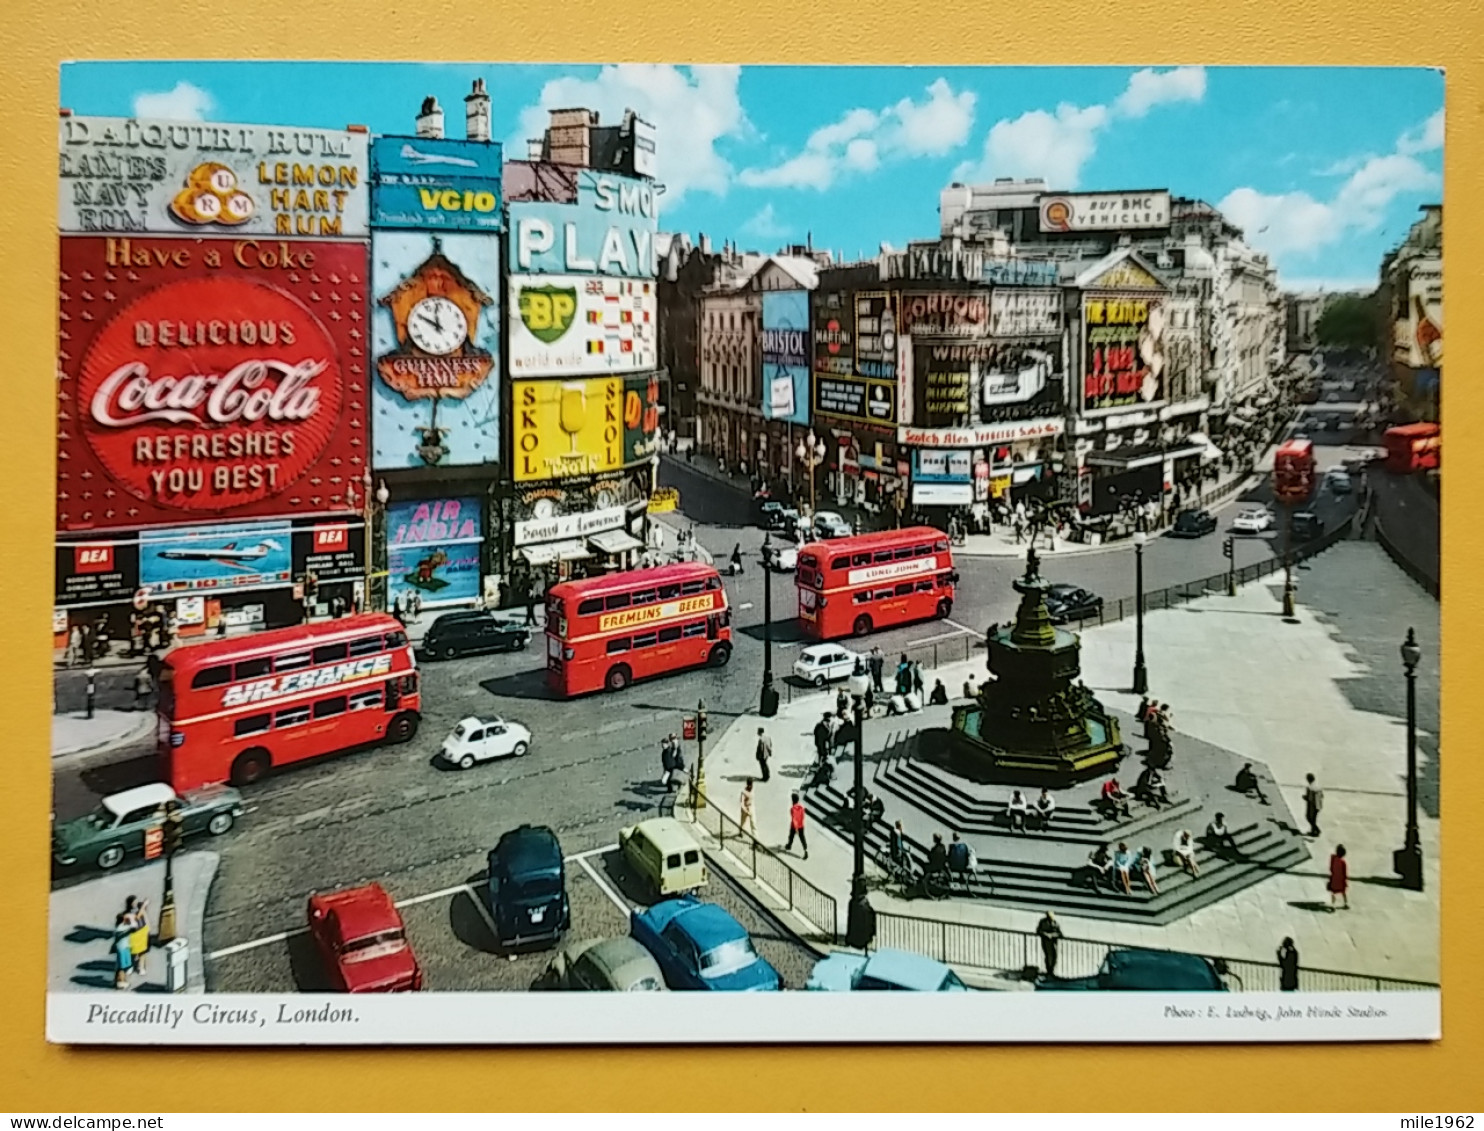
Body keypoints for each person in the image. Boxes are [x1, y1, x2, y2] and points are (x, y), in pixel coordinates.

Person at [125, 896, 150, 981]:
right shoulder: (128, 913)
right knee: (132, 951)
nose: (135, 903)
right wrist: (143, 907)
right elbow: (136, 918)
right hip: (133, 934)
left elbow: (143, 916)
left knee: (142, 951)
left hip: (141, 931)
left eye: (136, 901)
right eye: (133, 902)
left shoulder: (138, 908)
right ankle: (130, 966)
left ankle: (141, 967)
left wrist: (147, 927)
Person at [1036, 911, 1063, 977]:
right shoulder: (1042, 922)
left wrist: (1052, 935)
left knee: (1054, 957)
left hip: (1053, 943)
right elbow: (1038, 931)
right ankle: (1049, 971)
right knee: (1048, 957)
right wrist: (1045, 934)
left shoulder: (1055, 923)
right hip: (1046, 942)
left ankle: (1051, 970)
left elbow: (1060, 934)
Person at [112, 912, 134, 990]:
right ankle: (121, 982)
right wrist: (130, 920)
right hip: (123, 948)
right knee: (122, 967)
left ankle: (120, 980)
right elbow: (133, 927)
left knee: (121, 966)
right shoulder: (122, 928)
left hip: (122, 947)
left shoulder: (118, 927)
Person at [785, 793, 808, 860]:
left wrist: (796, 828)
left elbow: (794, 819)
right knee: (802, 838)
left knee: (791, 836)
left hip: (794, 827)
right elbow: (803, 815)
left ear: (792, 800)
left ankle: (789, 846)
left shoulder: (792, 809)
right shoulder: (801, 807)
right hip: (801, 826)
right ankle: (805, 850)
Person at [1327, 844, 1349, 910]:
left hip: (1334, 879)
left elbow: (1331, 868)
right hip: (1341, 880)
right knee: (1343, 892)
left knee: (1333, 892)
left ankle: (1333, 905)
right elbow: (1344, 873)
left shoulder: (1333, 858)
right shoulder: (1343, 862)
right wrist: (1345, 881)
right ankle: (1345, 904)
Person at [1303, 773, 1323, 837]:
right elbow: (1322, 796)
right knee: (1313, 819)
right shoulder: (1319, 786)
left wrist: (1304, 797)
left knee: (1308, 817)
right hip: (1318, 805)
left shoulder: (1309, 788)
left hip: (1312, 805)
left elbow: (1309, 798)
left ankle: (1317, 830)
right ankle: (1313, 831)